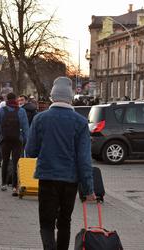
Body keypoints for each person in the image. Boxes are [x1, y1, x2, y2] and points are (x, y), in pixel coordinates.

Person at [25, 77, 95, 250]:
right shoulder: (80, 122)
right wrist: (88, 189)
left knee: (46, 223)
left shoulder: (40, 119)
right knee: (65, 222)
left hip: (47, 178)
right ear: (70, 97)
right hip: (70, 181)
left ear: (52, 97)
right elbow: (84, 159)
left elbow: (30, 151)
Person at [0, 93, 29, 196]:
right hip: (17, 140)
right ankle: (14, 187)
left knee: (4, 161)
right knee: (16, 162)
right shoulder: (21, 111)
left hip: (5, 140)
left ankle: (4, 184)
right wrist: (25, 140)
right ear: (16, 99)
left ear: (6, 100)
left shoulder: (1, 111)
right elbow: (26, 128)